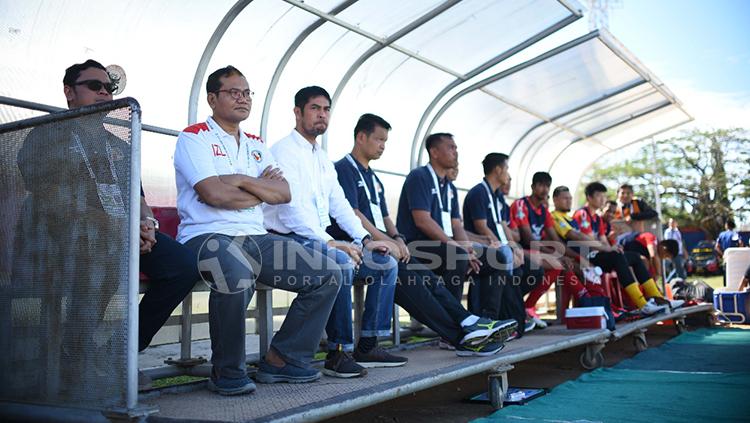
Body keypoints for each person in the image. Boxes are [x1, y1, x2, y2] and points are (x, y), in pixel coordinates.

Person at [14, 59, 198, 394]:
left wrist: (146, 224)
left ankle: (120, 353)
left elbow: (137, 196)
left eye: (109, 88)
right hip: (63, 238)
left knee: (183, 265)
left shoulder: (119, 142)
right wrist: (116, 226)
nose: (104, 93)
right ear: (70, 92)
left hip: (119, 233)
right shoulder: (46, 134)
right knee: (103, 246)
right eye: (94, 86)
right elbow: (50, 198)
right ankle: (75, 354)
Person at [174, 67, 341, 395]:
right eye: (233, 92)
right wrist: (259, 189)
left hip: (257, 235)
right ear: (212, 98)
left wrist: (239, 179)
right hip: (207, 236)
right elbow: (213, 195)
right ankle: (227, 371)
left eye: (247, 93)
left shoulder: (255, 144)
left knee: (328, 273)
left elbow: (283, 193)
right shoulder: (194, 137)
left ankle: (283, 358)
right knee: (236, 273)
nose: (243, 98)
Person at [331, 113, 513, 355]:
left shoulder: (374, 178)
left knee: (429, 278)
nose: (383, 145)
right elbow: (355, 215)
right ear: (361, 137)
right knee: (418, 278)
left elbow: (386, 218)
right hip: (357, 245)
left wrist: (396, 239)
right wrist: (387, 241)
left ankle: (470, 324)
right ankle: (462, 334)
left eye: (385, 140)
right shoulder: (344, 169)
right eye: (379, 139)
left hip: (386, 245)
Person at [264, 86, 405, 378]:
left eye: (326, 109)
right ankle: (338, 352)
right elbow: (292, 211)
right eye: (315, 108)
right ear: (298, 112)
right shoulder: (283, 151)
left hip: (315, 237)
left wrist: (366, 240)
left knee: (384, 263)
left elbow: (339, 204)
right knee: (339, 262)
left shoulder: (322, 157)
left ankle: (368, 344)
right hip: (285, 238)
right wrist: (330, 242)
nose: (322, 115)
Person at [396, 133, 516, 324]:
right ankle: (455, 326)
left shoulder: (449, 187)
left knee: (496, 258)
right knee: (457, 257)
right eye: (451, 147)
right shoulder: (420, 176)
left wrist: (467, 247)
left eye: (456, 148)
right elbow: (422, 221)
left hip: (444, 246)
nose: (455, 152)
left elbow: (456, 225)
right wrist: (459, 248)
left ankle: (485, 321)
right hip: (417, 246)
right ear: (434, 152)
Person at [557, 184, 682, 314]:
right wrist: (609, 249)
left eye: (603, 196)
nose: (602, 199)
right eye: (599, 196)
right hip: (586, 256)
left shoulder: (598, 219)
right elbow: (587, 241)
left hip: (600, 255)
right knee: (617, 256)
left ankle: (658, 298)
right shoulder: (582, 214)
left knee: (633, 256)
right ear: (589, 197)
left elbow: (603, 240)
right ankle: (641, 304)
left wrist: (612, 248)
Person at [462, 153, 536, 332]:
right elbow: (481, 228)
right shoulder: (479, 192)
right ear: (498, 169)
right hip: (480, 245)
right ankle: (505, 317)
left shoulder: (498, 196)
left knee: (534, 269)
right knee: (503, 257)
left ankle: (512, 313)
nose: (508, 174)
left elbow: (503, 226)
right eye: (507, 168)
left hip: (496, 245)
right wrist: (506, 248)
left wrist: (514, 247)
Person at [509, 172, 589, 321]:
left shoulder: (544, 212)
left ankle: (530, 307)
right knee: (557, 263)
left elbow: (555, 240)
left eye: (547, 185)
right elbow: (529, 239)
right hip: (519, 250)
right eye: (540, 185)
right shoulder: (521, 205)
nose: (544, 189)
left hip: (536, 252)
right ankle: (527, 307)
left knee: (563, 264)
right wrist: (557, 255)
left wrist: (573, 256)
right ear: (533, 187)